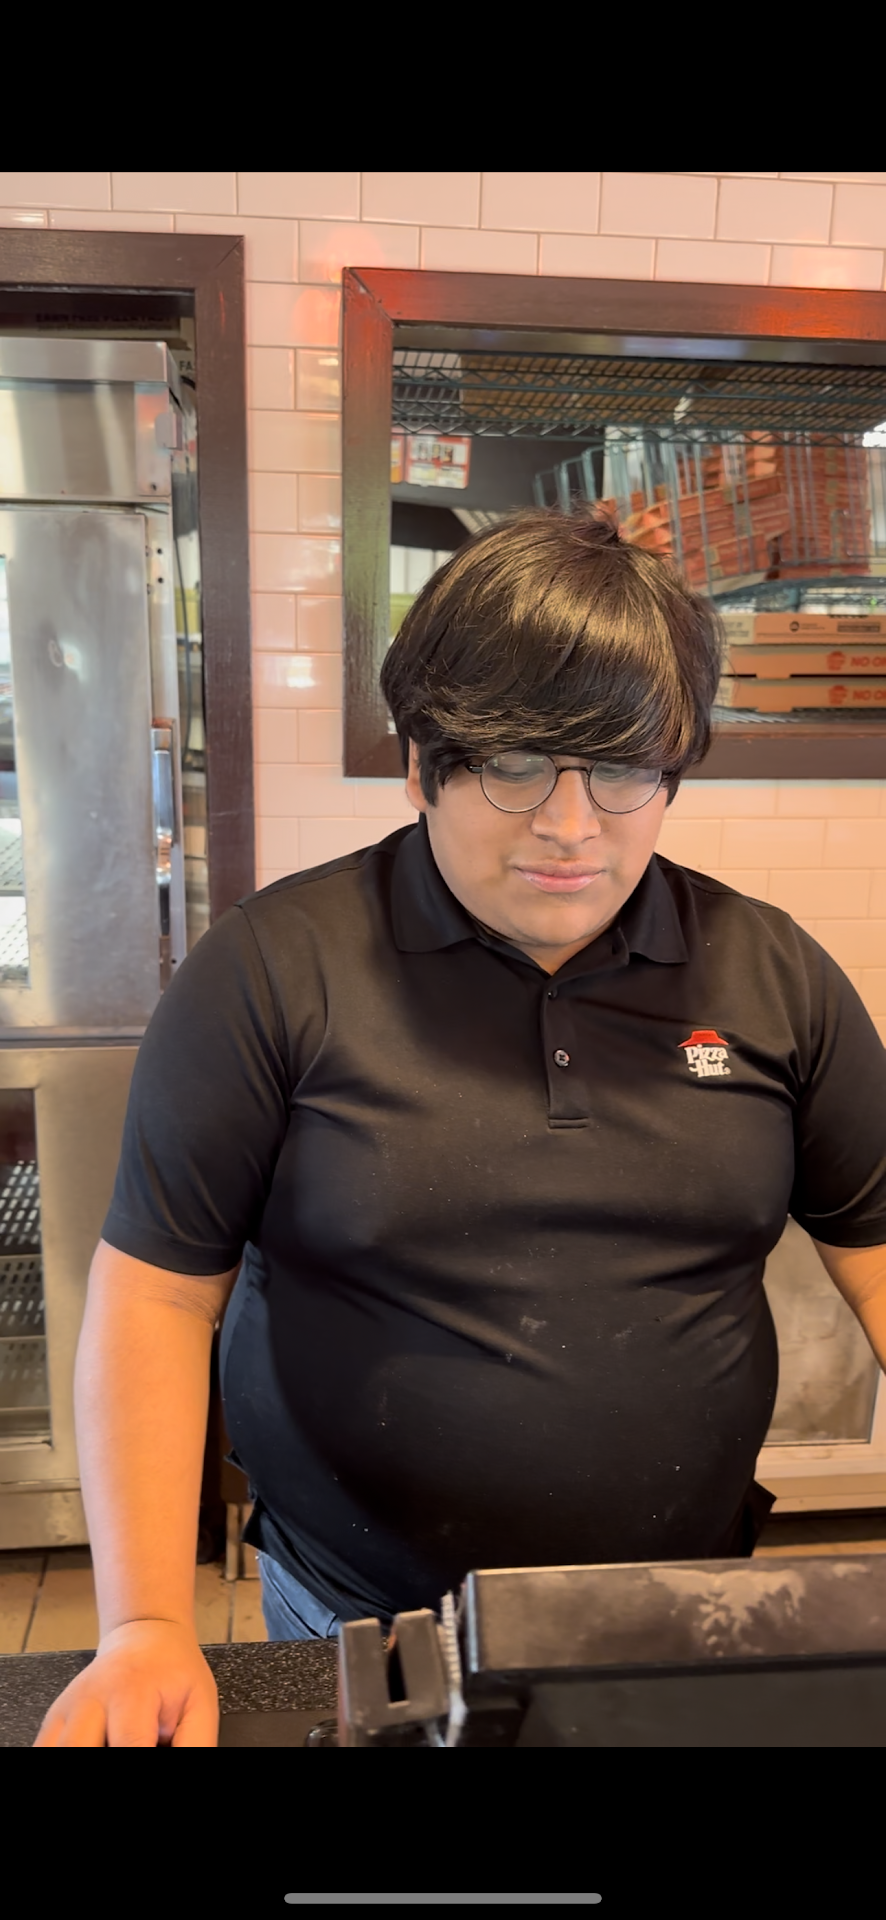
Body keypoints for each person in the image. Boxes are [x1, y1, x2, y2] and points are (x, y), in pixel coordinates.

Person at [36, 511, 886, 1746]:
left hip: (677, 1600)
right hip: (359, 1618)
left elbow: (879, 1257)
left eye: (622, 769)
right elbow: (157, 1298)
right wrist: (146, 1624)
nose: (571, 825)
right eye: (517, 764)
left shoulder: (773, 976)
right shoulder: (273, 971)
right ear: (422, 762)